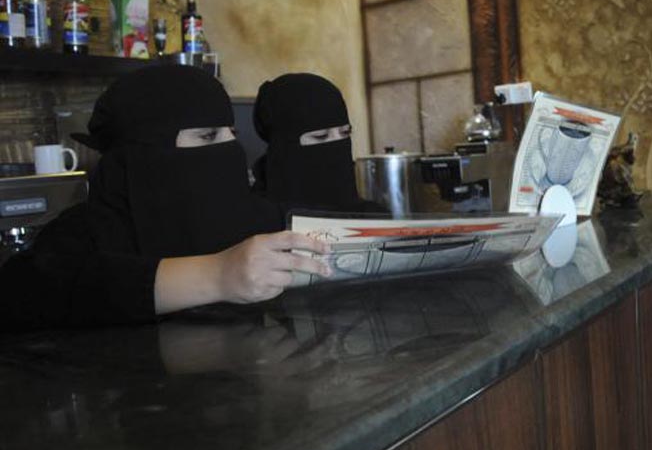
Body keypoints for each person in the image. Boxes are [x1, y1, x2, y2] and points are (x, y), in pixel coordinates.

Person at [0, 64, 330, 331]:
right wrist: (216, 276)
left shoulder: (254, 217)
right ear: (147, 151)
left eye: (232, 134)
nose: (231, 149)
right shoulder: (88, 232)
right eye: (208, 136)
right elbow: (24, 292)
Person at [252, 72, 382, 213]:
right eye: (321, 136)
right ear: (284, 146)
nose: (338, 145)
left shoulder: (374, 216)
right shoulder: (258, 220)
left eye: (345, 133)